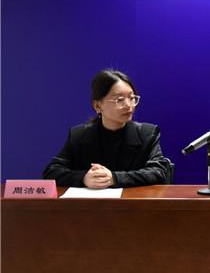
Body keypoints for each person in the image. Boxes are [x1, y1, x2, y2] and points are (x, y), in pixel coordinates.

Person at [43, 69, 171, 188]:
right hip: (92, 204)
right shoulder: (79, 135)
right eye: (119, 100)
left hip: (133, 203)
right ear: (98, 106)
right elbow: (52, 171)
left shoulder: (147, 134)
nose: (128, 105)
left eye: (132, 98)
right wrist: (84, 178)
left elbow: (159, 172)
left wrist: (114, 178)